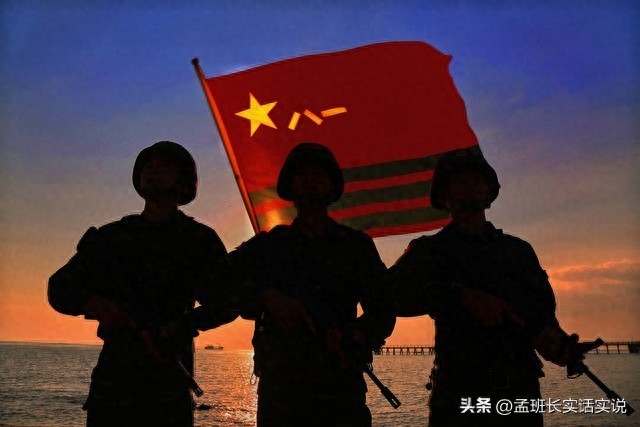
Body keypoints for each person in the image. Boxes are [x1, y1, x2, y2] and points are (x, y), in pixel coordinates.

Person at [48, 141, 235, 427]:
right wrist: (94, 304)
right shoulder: (111, 238)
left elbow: (228, 300)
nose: (152, 171)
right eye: (147, 166)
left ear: (183, 182)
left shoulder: (198, 240)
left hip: (167, 380)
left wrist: (183, 325)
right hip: (114, 383)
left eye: (164, 166)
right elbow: (58, 288)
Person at [390, 148, 570, 427]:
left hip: (520, 393)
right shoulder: (429, 250)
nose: (471, 184)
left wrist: (554, 341)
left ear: (489, 190)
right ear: (445, 195)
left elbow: (543, 313)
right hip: (459, 395)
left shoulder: (519, 251)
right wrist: (460, 296)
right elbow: (387, 296)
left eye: (477, 179)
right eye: (461, 181)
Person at [219, 142, 395, 426]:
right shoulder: (268, 245)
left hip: (340, 391)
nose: (310, 180)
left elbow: (383, 311)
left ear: (331, 187)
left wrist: (352, 335)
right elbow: (216, 285)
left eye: (318, 175)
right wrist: (266, 296)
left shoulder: (356, 246)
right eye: (302, 175)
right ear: (291, 186)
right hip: (281, 395)